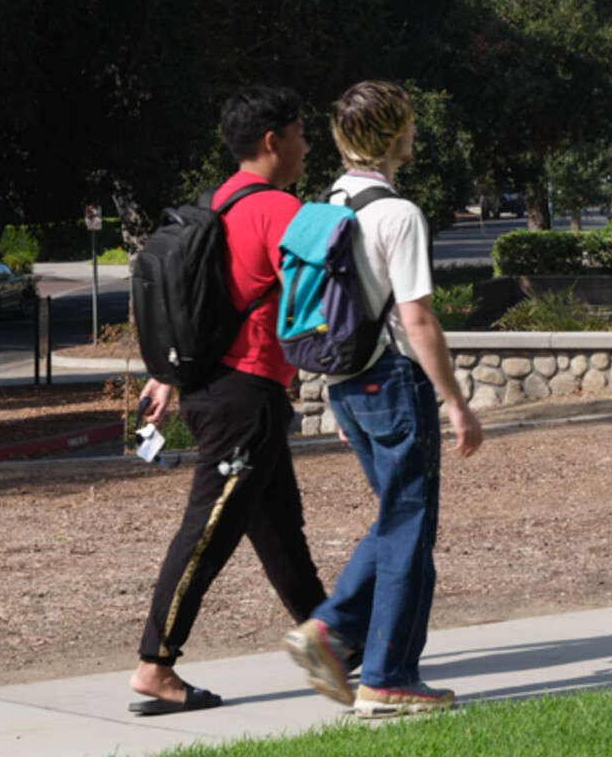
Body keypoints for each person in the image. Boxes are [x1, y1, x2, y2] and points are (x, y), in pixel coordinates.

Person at [282, 81, 484, 717]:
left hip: (347, 384)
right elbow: (417, 319)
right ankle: (382, 672)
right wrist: (455, 400)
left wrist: (341, 394)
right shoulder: (398, 213)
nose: (415, 135)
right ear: (396, 135)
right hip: (394, 384)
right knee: (409, 526)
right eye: (411, 125)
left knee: (400, 518)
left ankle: (341, 638)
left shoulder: (327, 204)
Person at [129, 86, 325, 715]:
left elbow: (194, 308)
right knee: (208, 531)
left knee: (279, 531)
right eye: (300, 134)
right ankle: (155, 666)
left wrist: (166, 374)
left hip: (226, 391)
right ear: (274, 141)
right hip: (245, 397)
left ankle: (332, 643)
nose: (305, 145)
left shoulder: (216, 203)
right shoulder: (278, 209)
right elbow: (313, 308)